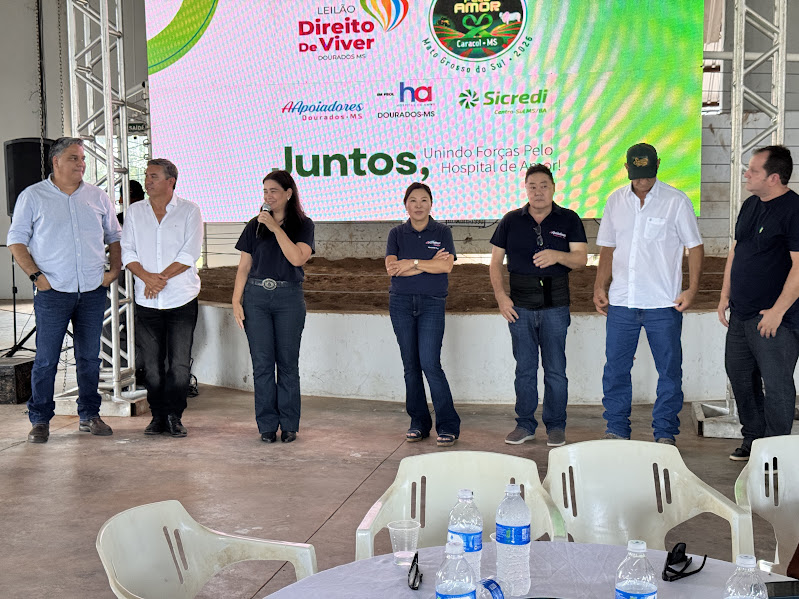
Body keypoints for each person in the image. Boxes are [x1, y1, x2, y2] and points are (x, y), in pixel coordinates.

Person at [7, 137, 121, 443]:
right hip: (53, 292)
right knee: (46, 359)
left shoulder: (98, 197)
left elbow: (114, 237)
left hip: (92, 291)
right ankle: (40, 419)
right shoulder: (33, 196)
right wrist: (36, 276)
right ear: (56, 161)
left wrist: (114, 271)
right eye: (74, 158)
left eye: (82, 158)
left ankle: (89, 415)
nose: (81, 163)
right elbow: (16, 241)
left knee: (89, 358)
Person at [594, 143, 703, 444]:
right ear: (627, 169)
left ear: (658, 165)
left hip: (663, 303)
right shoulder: (615, 201)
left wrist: (691, 289)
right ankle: (616, 429)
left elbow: (694, 247)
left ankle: (665, 432)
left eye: (649, 174)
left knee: (669, 370)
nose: (643, 181)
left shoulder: (676, 201)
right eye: (638, 174)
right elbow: (607, 248)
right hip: (622, 302)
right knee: (615, 369)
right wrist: (599, 285)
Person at [490, 164, 587, 447]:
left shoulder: (568, 219)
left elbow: (580, 259)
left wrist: (557, 255)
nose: (538, 191)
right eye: (532, 186)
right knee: (525, 369)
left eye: (544, 185)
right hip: (519, 308)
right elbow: (495, 263)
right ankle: (525, 424)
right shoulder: (510, 220)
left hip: (556, 308)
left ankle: (556, 426)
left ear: (554, 187)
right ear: (526, 189)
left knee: (556, 369)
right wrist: (501, 297)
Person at [718, 145, 799, 461]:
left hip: (774, 319)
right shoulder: (751, 204)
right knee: (739, 376)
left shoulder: (793, 210)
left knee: (777, 386)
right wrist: (725, 294)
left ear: (774, 178)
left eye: (753, 170)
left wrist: (778, 312)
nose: (746, 174)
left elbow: (798, 266)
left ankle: (776, 451)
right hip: (741, 315)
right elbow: (737, 252)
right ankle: (753, 438)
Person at [121, 159, 203, 437]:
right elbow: (127, 251)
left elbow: (189, 253)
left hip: (181, 299)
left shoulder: (190, 211)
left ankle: (174, 416)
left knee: (179, 364)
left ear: (171, 181)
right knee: (152, 365)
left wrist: (158, 279)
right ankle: (157, 416)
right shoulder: (134, 212)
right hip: (147, 301)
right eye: (146, 176)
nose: (147, 181)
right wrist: (147, 278)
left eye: (153, 176)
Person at [232, 171, 314, 443]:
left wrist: (276, 228)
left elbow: (297, 258)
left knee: (288, 364)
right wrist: (236, 300)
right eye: (265, 191)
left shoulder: (303, 225)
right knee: (262, 364)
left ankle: (289, 424)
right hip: (256, 298)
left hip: (288, 298)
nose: (268, 196)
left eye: (274, 191)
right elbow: (244, 266)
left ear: (289, 193)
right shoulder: (254, 225)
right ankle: (267, 424)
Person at [386, 182, 461, 447]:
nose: (418, 205)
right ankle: (418, 422)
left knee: (430, 363)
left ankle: (448, 424)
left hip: (431, 303)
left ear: (431, 203)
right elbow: (392, 269)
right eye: (413, 201)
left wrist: (413, 263)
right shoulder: (396, 233)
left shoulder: (442, 231)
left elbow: (447, 267)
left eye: (423, 200)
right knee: (410, 366)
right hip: (401, 304)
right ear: (405, 204)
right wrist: (429, 265)